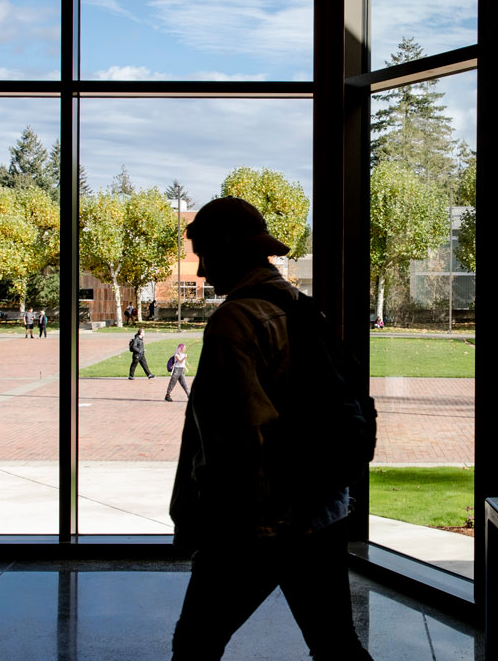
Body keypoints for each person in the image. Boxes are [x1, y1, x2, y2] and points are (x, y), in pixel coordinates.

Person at [169, 196, 373, 661]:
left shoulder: (235, 321)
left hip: (257, 522)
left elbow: (235, 438)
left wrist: (214, 527)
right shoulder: (302, 308)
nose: (201, 272)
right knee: (336, 643)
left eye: (203, 255)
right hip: (321, 508)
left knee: (196, 643)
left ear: (225, 246)